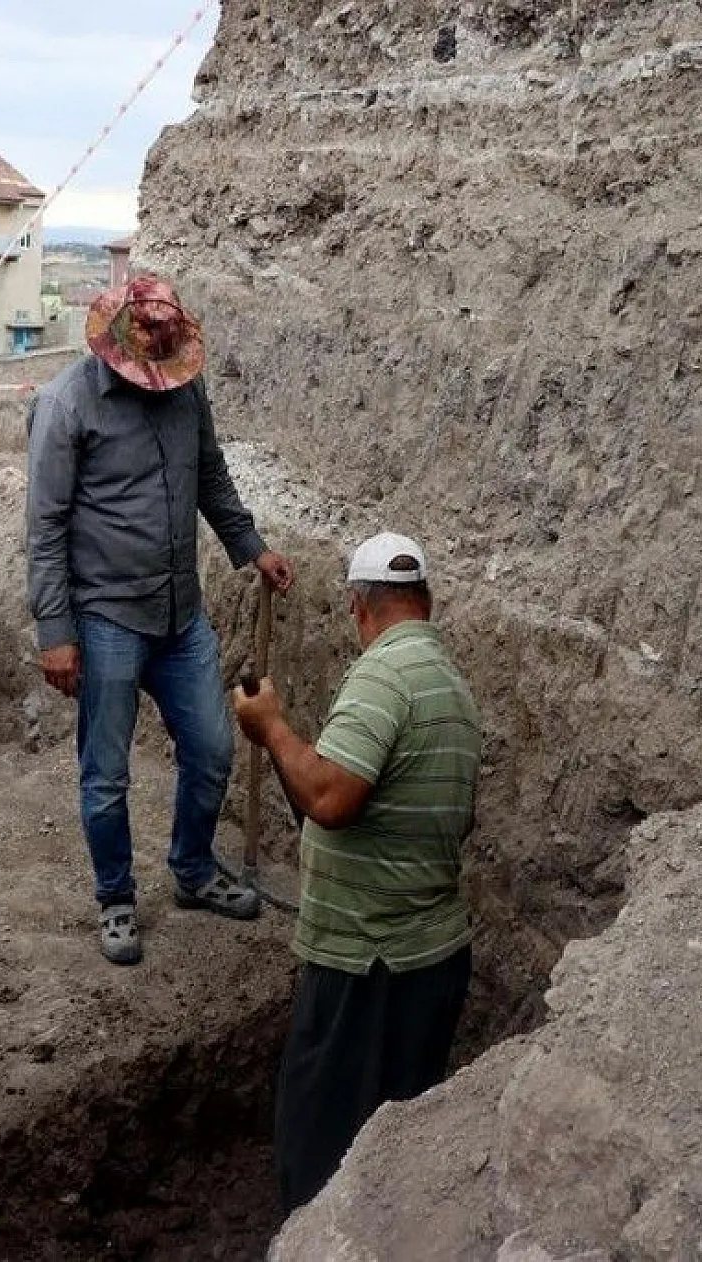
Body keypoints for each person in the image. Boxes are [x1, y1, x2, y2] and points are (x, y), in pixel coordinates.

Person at [27, 271, 294, 966]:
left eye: (169, 334)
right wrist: (56, 633)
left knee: (212, 748)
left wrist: (252, 547)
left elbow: (211, 476)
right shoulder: (66, 404)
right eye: (148, 334)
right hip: (107, 615)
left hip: (180, 614)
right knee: (106, 773)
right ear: (116, 333)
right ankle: (116, 898)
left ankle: (193, 869)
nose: (160, 346)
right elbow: (46, 527)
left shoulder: (185, 389)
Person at [230, 531, 482, 1212]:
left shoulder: (383, 674)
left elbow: (332, 799)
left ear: (358, 608)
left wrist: (272, 727)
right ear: (425, 601)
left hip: (371, 966)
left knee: (316, 1150)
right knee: (393, 1161)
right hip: (428, 961)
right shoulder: (450, 688)